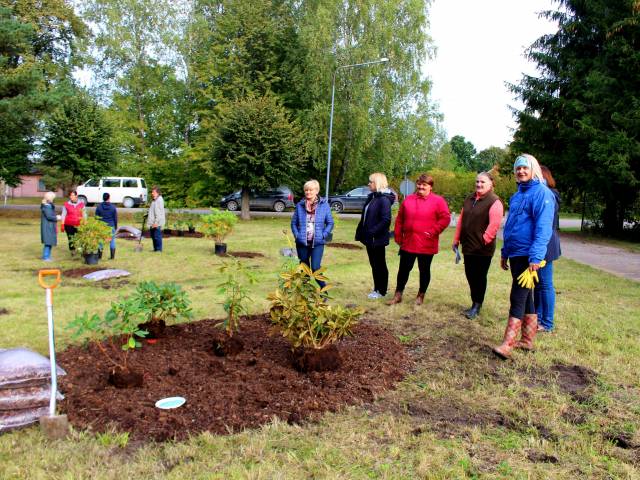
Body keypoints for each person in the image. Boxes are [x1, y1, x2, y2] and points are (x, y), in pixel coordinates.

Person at [493, 154, 554, 359]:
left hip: (530, 256)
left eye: (524, 168)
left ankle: (507, 344)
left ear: (533, 169)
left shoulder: (542, 193)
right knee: (527, 296)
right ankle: (527, 340)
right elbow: (511, 227)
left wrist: (536, 257)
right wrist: (505, 252)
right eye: (517, 168)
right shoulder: (517, 195)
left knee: (517, 296)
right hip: (516, 254)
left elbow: (543, 228)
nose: (520, 171)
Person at [387, 174, 451, 305]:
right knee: (403, 269)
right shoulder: (408, 200)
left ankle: (421, 295)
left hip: (426, 243)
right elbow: (400, 219)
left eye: (425, 185)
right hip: (408, 242)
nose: (421, 187)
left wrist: (433, 231)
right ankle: (398, 295)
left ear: (430, 187)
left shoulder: (438, 201)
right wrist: (398, 235)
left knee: (424, 270)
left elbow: (445, 218)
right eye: (419, 184)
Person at [452, 172, 504, 319]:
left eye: (483, 182)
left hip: (482, 248)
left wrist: (484, 240)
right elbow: (461, 220)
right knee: (470, 275)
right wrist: (456, 239)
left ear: (491, 184)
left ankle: (477, 305)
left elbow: (494, 225)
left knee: (479, 277)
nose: (479, 185)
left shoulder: (495, 201)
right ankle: (474, 302)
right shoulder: (469, 198)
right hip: (468, 246)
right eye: (477, 182)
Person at [355, 172, 394, 299]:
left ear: (377, 183)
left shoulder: (384, 199)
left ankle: (381, 291)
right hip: (369, 238)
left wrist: (371, 232)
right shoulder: (372, 197)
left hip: (377, 239)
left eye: (371, 182)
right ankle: (377, 288)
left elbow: (386, 220)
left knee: (379, 264)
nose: (368, 184)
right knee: (374, 264)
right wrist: (362, 232)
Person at [291, 179, 334, 289]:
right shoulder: (300, 205)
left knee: (315, 267)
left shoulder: (324, 205)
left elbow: (330, 222)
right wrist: (297, 235)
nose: (308, 192)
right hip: (302, 243)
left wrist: (324, 234)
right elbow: (293, 223)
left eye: (310, 190)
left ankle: (323, 290)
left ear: (316, 191)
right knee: (304, 267)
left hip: (318, 242)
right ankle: (306, 290)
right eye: (306, 190)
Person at [534, 165, 561, 332]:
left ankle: (547, 322)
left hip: (546, 245)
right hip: (543, 243)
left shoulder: (549, 195)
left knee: (545, 284)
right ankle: (537, 317)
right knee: (538, 284)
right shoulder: (545, 193)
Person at [60, 190, 86, 256]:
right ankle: (73, 251)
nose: (71, 197)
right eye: (70, 195)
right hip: (69, 225)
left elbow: (84, 214)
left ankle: (80, 250)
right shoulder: (66, 204)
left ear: (76, 196)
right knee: (71, 238)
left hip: (79, 224)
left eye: (72, 195)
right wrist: (62, 224)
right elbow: (63, 215)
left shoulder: (81, 204)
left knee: (80, 238)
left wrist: (85, 222)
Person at [95, 192, 118, 259]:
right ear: (109, 198)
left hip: (102, 226)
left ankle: (99, 257)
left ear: (103, 198)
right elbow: (115, 218)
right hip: (111, 225)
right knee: (112, 240)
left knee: (100, 241)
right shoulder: (113, 207)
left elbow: (96, 217)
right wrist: (115, 226)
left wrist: (97, 226)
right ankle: (112, 257)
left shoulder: (99, 207)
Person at [40, 192, 60, 261]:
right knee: (48, 242)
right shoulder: (47, 207)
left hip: (49, 226)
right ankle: (46, 257)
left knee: (49, 242)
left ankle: (47, 256)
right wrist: (57, 217)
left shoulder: (47, 205)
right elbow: (49, 217)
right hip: (48, 226)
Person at [147, 186, 166, 252]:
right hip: (153, 221)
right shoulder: (154, 200)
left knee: (157, 236)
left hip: (157, 222)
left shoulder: (159, 200)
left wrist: (156, 223)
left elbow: (159, 213)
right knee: (153, 236)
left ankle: (159, 250)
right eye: (152, 192)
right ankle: (155, 249)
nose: (152, 193)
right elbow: (152, 210)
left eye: (153, 192)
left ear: (157, 193)